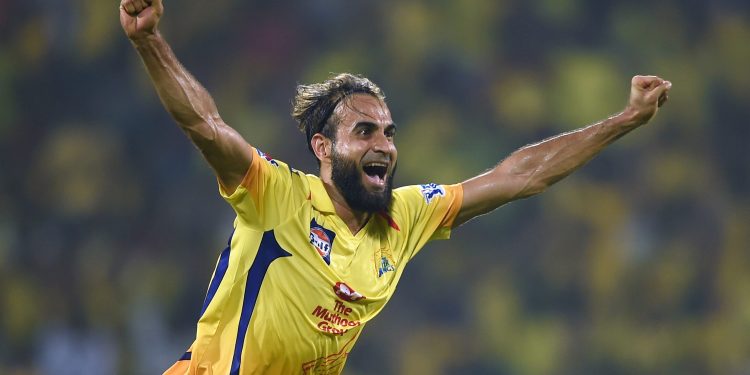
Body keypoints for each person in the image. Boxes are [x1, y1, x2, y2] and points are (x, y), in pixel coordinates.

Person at [119, 0, 672, 374]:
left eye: (388, 132)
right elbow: (206, 126)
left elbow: (520, 176)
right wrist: (150, 42)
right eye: (364, 131)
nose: (383, 144)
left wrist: (622, 120)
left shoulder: (405, 218)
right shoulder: (278, 197)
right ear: (322, 149)